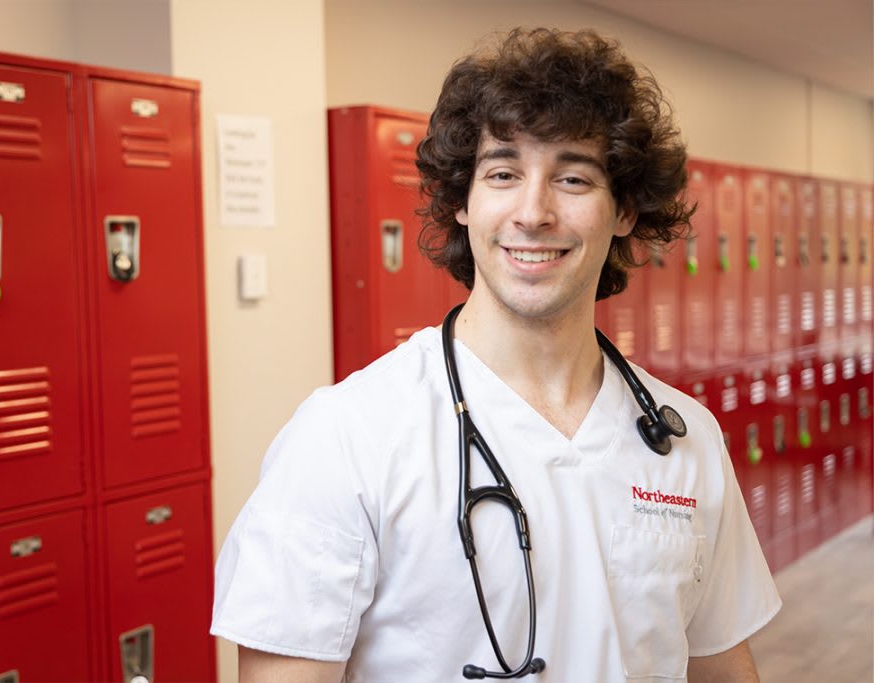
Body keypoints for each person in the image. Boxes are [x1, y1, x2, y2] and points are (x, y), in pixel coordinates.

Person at [211, 27, 780, 682]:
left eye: (572, 176)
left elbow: (722, 665)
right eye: (503, 173)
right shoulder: (347, 436)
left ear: (624, 210)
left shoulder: (683, 439)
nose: (533, 211)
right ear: (462, 201)